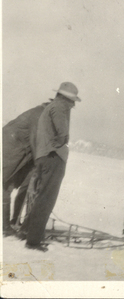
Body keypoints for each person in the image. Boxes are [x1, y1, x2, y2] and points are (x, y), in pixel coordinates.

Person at [23, 82, 80, 252]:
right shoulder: (59, 108)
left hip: (43, 156)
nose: (73, 105)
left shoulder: (50, 107)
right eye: (72, 101)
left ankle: (27, 230)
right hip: (53, 157)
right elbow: (62, 133)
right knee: (46, 198)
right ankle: (33, 241)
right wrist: (59, 144)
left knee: (41, 196)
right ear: (65, 98)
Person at [2, 101, 50, 236]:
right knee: (5, 185)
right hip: (10, 152)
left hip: (17, 153)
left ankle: (10, 223)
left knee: (9, 186)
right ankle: (5, 226)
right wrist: (41, 163)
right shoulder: (40, 115)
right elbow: (36, 142)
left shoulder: (40, 113)